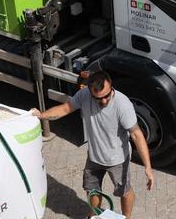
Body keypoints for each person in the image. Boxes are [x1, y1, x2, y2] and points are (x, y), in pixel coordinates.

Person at [32, 71, 154, 218]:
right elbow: (65, 108)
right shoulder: (84, 95)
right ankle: (94, 215)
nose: (103, 101)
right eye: (98, 98)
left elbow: (136, 134)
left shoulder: (123, 104)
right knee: (92, 190)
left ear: (111, 87)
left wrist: (147, 167)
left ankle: (126, 217)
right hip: (94, 157)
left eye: (107, 95)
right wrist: (41, 115)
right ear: (90, 92)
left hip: (118, 160)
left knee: (124, 191)